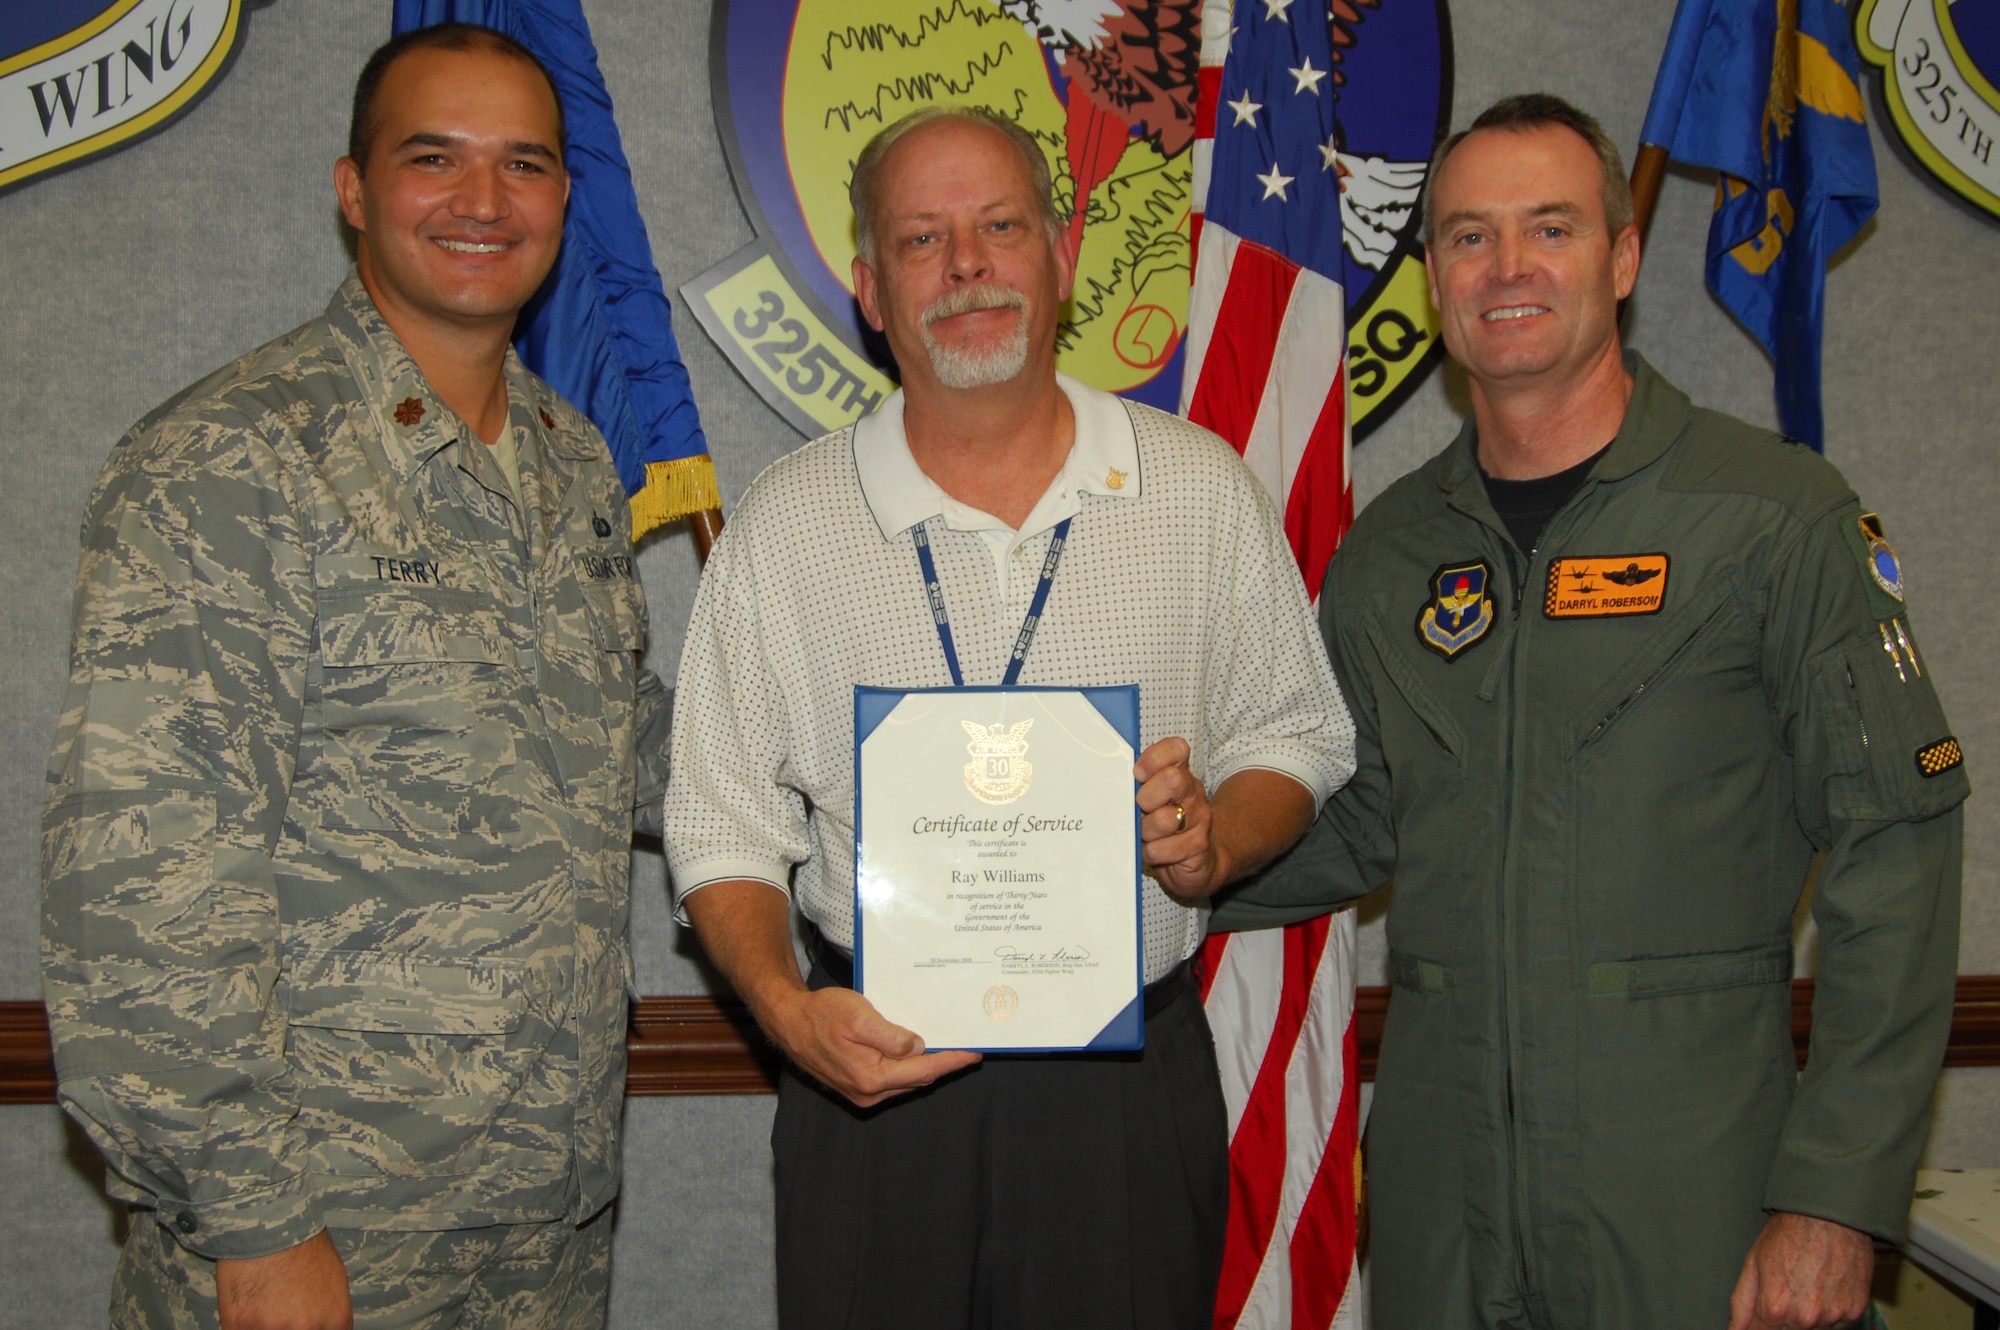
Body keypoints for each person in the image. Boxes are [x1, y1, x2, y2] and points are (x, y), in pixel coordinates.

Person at [1212, 93, 1966, 1330]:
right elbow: (1346, 823)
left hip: (1691, 1192)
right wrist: (1151, 856)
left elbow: (1898, 850)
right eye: (1465, 236)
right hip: (1445, 1200)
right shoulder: (1393, 551)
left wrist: (1834, 1198)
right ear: (1434, 277)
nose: (1505, 268)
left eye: (1548, 228)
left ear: (1618, 260)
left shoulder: (1769, 516)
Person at [662, 105, 1353, 1329]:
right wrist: (783, 1015)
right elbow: (720, 828)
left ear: (1061, 250)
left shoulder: (1197, 487)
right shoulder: (787, 520)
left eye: (997, 227)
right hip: (868, 1078)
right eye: (922, 239)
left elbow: (1295, 734)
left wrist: (1218, 838)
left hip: (1125, 1096)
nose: (966, 265)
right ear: (871, 288)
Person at [40, 24, 671, 1330]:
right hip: (322, 1229)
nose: (484, 202)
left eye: (526, 165)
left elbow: (627, 741)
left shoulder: (569, 462)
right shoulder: (235, 461)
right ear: (354, 190)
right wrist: (254, 1222)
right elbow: (148, 879)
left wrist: (884, 768)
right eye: (433, 157)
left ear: (565, 197)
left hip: (543, 1211)